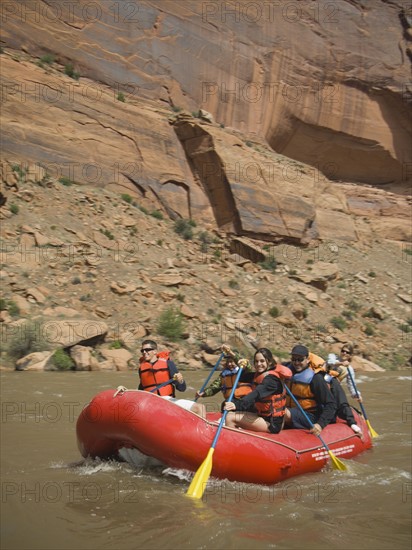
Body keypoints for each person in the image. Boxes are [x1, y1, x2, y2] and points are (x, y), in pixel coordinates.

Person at [223, 348, 292, 434]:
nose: (259, 364)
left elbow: (256, 394)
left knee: (230, 418)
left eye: (262, 361)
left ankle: (233, 443)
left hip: (272, 423)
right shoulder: (259, 375)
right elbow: (241, 376)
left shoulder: (272, 381)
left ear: (269, 362)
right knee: (230, 414)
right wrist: (240, 364)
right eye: (256, 361)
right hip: (262, 415)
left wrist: (236, 405)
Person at [138, 339, 206, 417]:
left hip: (167, 401)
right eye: (142, 350)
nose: (144, 352)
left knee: (200, 408)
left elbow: (182, 388)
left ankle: (201, 429)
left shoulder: (168, 364)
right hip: (150, 402)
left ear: (155, 351)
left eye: (147, 350)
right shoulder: (141, 368)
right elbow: (141, 390)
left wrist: (180, 381)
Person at [283, 344, 336, 436]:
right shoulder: (286, 373)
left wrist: (320, 425)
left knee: (282, 412)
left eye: (300, 359)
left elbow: (331, 404)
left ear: (307, 360)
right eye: (294, 359)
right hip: (292, 412)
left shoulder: (315, 379)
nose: (296, 363)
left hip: (309, 416)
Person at [324, 353, 362, 434]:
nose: (344, 353)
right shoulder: (333, 358)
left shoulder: (349, 369)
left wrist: (357, 395)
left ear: (350, 355)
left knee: (337, 391)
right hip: (325, 385)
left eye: (347, 352)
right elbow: (330, 362)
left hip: (335, 390)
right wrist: (341, 363)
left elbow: (351, 385)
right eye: (343, 351)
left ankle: (351, 421)